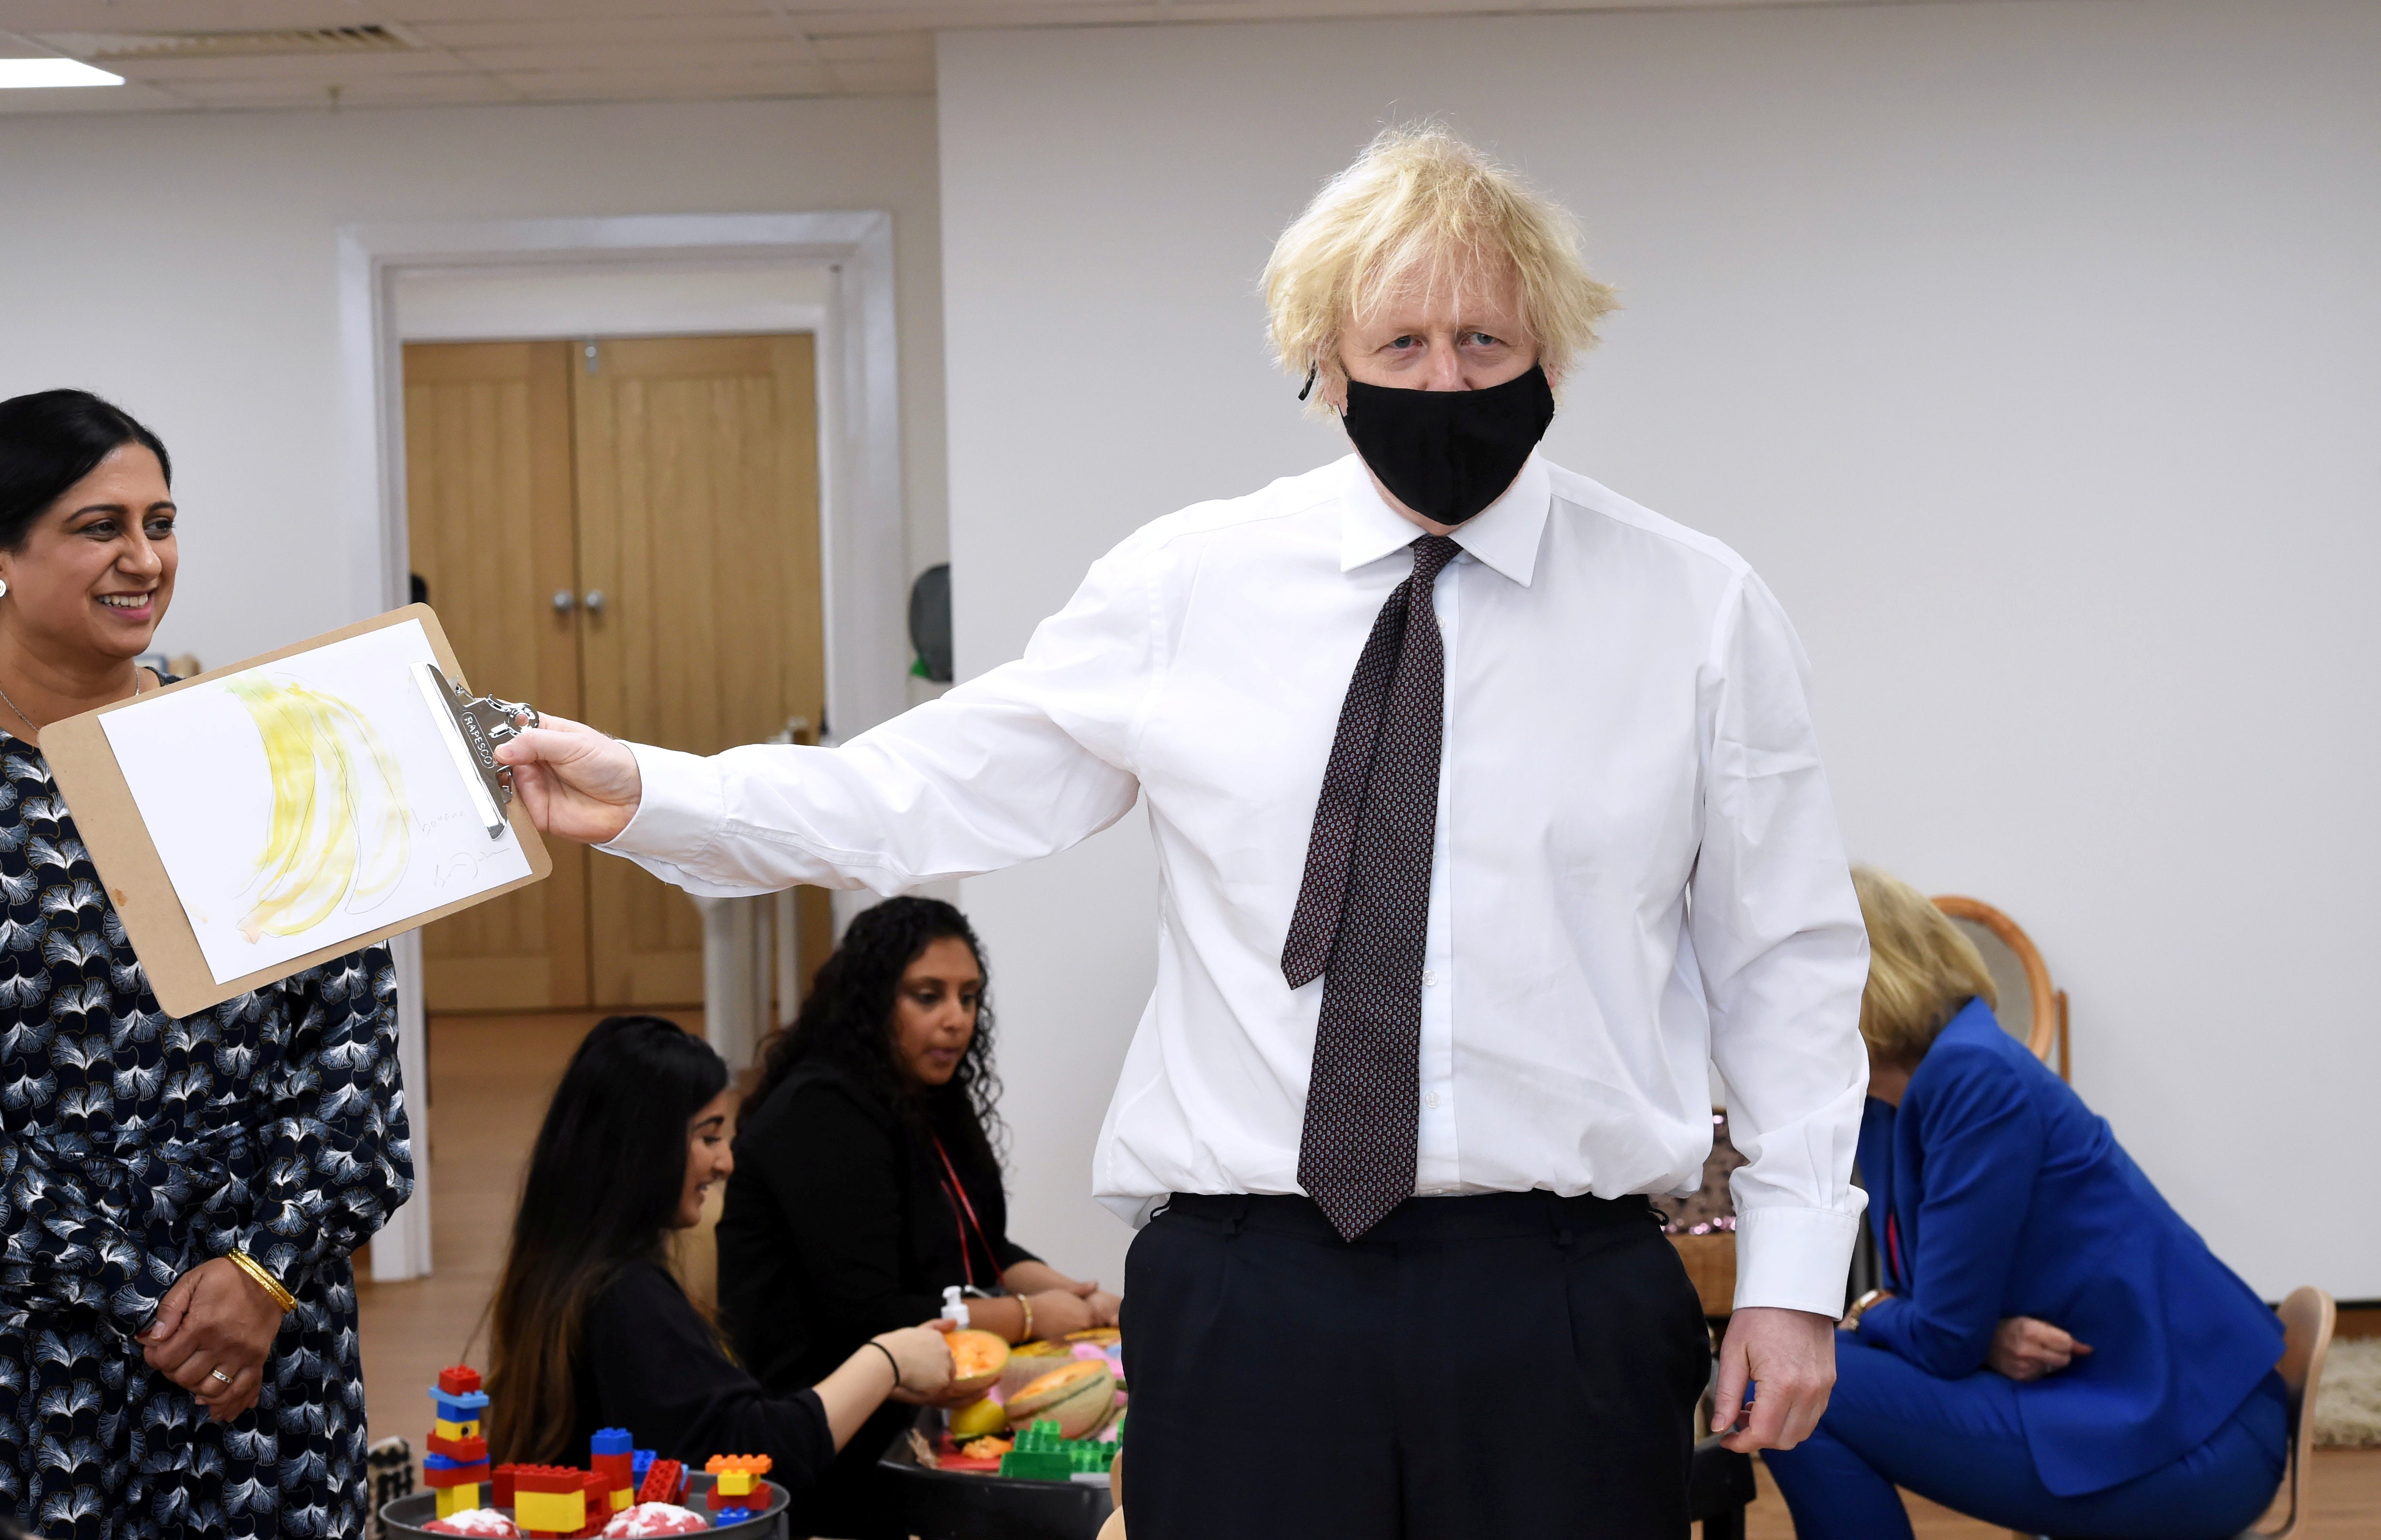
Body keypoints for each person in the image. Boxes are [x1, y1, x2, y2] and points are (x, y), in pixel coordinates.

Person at [493, 127, 1871, 1538]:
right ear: (1323, 365)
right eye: (1400, 341)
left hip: (1557, 1292)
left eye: (1483, 340)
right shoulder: (1189, 585)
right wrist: (656, 792)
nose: (1445, 378)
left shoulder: (1693, 611)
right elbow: (930, 783)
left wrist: (1788, 1273)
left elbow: (1786, 962)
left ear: (1553, 359)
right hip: (1247, 1285)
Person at [0, 389, 413, 1539]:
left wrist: (261, 1276)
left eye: (161, 520)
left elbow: (355, 1056)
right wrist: (163, 1309)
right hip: (49, 1360)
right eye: (99, 526)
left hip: (274, 1351)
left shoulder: (255, 758)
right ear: (6, 546)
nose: (144, 558)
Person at [1764, 868, 2286, 1539]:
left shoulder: (1971, 1077)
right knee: (1793, 1378)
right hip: (2131, 1412)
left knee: (1785, 1384)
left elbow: (1939, 1336)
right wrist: (1974, 1333)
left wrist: (1875, 1311)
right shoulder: (1890, 1104)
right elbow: (1943, 1315)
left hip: (2194, 1445)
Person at [717, 898, 1120, 1537]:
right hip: (837, 1428)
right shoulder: (822, 1111)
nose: (956, 1020)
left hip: (923, 1392)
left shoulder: (928, 1094)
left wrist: (1078, 1298)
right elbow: (873, 1313)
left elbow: (982, 1247)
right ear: (873, 1000)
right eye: (928, 996)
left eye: (969, 997)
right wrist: (1032, 1317)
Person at [484, 1014, 958, 1518]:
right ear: (644, 1147)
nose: (725, 1161)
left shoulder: (565, 1274)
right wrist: (886, 1359)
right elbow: (754, 1456)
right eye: (708, 1137)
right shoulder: (625, 1297)